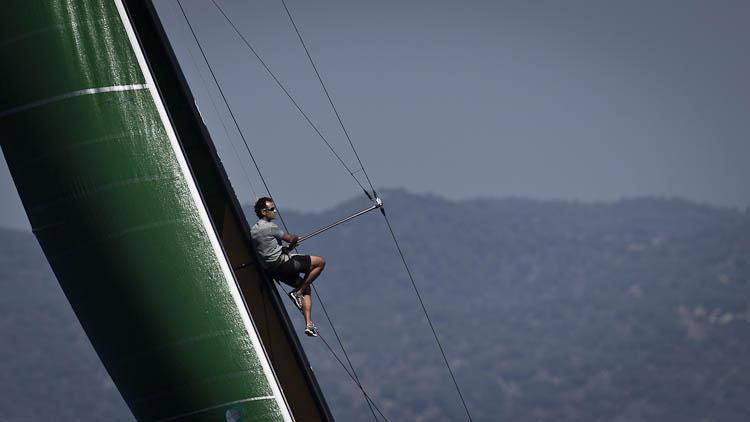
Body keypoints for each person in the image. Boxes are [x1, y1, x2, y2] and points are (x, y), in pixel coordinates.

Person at [250, 197, 326, 337]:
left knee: (306, 287)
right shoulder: (270, 227)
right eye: (271, 209)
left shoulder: (254, 231)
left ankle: (309, 325)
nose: (275, 211)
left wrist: (286, 249)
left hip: (274, 271)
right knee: (320, 262)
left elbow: (268, 250)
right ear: (263, 212)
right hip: (285, 264)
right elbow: (290, 239)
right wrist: (295, 240)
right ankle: (297, 293)